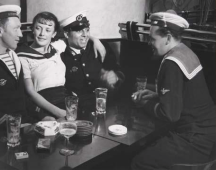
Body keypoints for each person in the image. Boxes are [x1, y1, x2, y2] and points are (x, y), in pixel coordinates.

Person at [131, 11, 216, 169]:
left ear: (168, 37)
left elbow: (170, 115)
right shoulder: (185, 51)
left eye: (152, 39)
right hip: (210, 135)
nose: (149, 43)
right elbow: (186, 94)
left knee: (139, 162)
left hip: (194, 138)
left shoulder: (171, 62)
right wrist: (156, 95)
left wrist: (144, 104)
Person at [0, 4, 53, 144]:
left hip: (23, 127)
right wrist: (20, 127)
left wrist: (42, 116)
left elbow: (21, 98)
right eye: (16, 29)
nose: (21, 34)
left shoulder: (13, 56)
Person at [16, 11, 106, 119]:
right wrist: (59, 112)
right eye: (38, 28)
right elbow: (30, 92)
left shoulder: (57, 47)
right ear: (32, 30)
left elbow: (75, 37)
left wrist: (95, 40)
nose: (42, 34)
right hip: (42, 103)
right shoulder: (22, 55)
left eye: (48, 30)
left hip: (65, 99)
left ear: (53, 34)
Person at [60, 10, 125, 108]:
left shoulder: (102, 48)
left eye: (87, 30)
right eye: (79, 31)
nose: (85, 34)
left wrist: (115, 78)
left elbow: (120, 74)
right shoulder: (60, 56)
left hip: (107, 108)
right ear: (66, 34)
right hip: (77, 111)